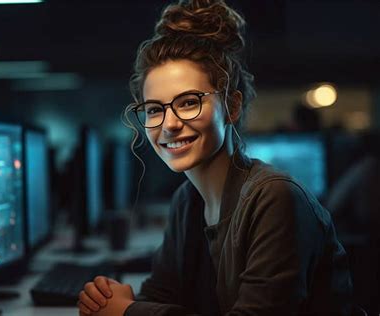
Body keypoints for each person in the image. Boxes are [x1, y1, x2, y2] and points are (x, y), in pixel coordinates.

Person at [78, 0, 353, 315]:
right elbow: (162, 295)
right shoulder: (187, 201)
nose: (168, 124)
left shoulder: (275, 198)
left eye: (188, 102)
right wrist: (113, 299)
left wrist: (128, 311)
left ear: (231, 107)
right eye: (154, 109)